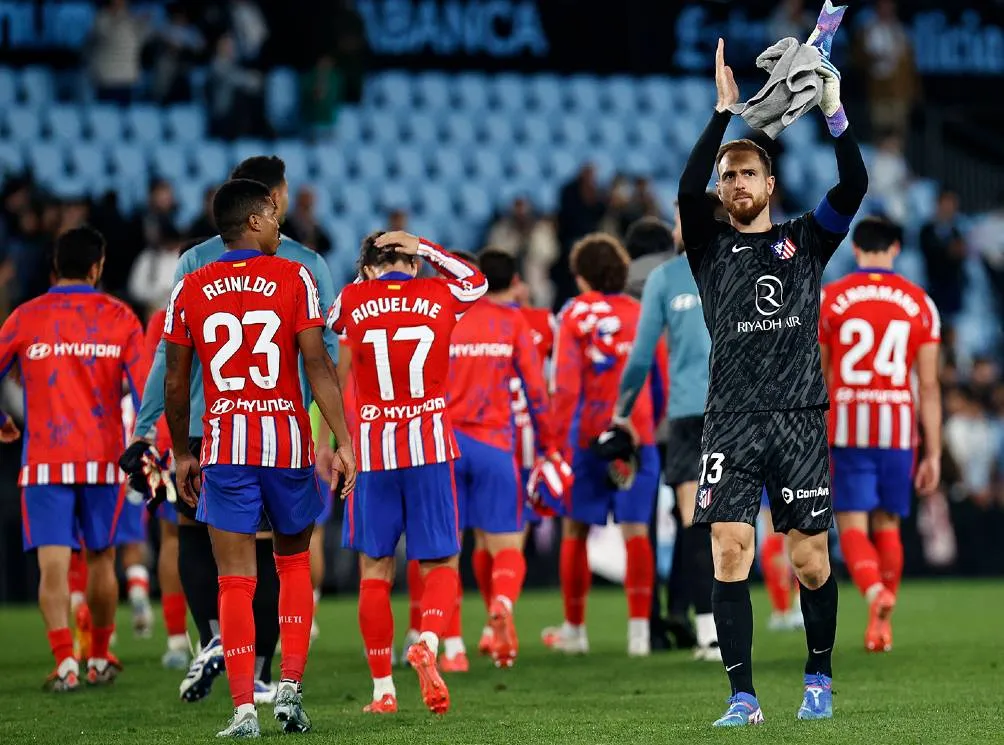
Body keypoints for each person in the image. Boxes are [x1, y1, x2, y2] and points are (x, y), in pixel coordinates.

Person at [677, 38, 868, 726]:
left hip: (797, 414)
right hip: (729, 417)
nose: (734, 182)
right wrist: (722, 118)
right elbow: (684, 191)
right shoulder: (708, 247)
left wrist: (835, 113)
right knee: (729, 550)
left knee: (810, 560)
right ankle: (743, 696)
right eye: (727, 175)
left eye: (747, 173)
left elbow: (853, 189)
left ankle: (818, 674)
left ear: (769, 185)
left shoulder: (805, 240)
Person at [123, 156, 340, 704]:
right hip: (284, 430)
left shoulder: (193, 267)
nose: (281, 211)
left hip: (208, 430)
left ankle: (218, 648)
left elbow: (169, 370)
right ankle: (273, 675)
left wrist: (157, 435)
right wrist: (335, 437)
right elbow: (324, 361)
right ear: (263, 207)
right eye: (278, 201)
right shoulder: (304, 267)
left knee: (196, 540)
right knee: (282, 554)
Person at [163, 178, 355, 738]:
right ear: (252, 221)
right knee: (293, 562)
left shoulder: (189, 285)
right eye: (273, 216)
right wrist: (342, 440)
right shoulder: (294, 275)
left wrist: (180, 452)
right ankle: (289, 690)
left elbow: (177, 383)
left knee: (235, 578)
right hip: (286, 443)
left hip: (223, 445)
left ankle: (244, 708)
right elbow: (317, 365)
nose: (279, 224)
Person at [327, 230, 488, 715]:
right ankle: (430, 640)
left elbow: (332, 322)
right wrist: (426, 247)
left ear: (371, 268)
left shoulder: (354, 297)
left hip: (372, 453)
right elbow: (476, 282)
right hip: (429, 447)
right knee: (440, 563)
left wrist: (366, 273)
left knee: (374, 572)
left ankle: (382, 691)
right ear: (414, 263)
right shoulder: (439, 293)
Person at [0, 226, 148, 690]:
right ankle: (99, 657)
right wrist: (149, 441)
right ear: (98, 266)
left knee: (53, 565)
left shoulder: (24, 317)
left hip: (44, 459)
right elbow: (146, 389)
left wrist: (1, 419)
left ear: (52, 267)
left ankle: (65, 661)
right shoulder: (120, 317)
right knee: (103, 560)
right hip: (104, 458)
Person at [819, 217, 941, 653]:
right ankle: (880, 625)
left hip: (847, 427)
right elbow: (927, 385)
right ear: (895, 248)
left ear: (856, 251)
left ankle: (874, 592)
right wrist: (934, 453)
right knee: (888, 524)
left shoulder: (831, 299)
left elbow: (821, 373)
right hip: (898, 430)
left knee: (850, 522)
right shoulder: (919, 303)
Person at [542, 233, 666, 658]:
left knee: (575, 530)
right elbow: (660, 377)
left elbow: (566, 386)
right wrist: (648, 423)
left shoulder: (574, 314)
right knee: (636, 531)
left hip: (588, 438)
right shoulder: (641, 311)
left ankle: (575, 630)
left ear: (581, 277)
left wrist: (556, 444)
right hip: (638, 434)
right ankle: (639, 635)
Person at [447, 248, 569, 670]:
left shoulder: (447, 319)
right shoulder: (523, 321)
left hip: (448, 444)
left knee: (452, 548)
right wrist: (552, 446)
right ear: (514, 280)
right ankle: (500, 606)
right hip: (504, 444)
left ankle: (454, 645)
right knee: (506, 542)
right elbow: (539, 390)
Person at [614, 212, 720, 661]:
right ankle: (731, 629)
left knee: (695, 523)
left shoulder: (666, 278)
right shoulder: (745, 264)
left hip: (688, 416)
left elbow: (640, 358)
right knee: (732, 524)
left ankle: (709, 633)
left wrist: (622, 411)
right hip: (739, 412)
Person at [143, 307, 191, 669]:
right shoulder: (235, 299)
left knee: (172, 536)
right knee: (233, 539)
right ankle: (223, 635)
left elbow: (152, 376)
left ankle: (177, 640)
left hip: (168, 440)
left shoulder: (163, 319)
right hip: (219, 434)